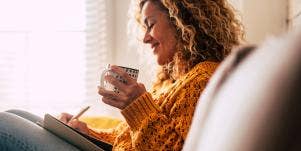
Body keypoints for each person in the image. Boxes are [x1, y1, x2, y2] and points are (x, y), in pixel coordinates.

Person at [0, 0, 243, 150]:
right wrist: (86, 133)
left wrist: (138, 107)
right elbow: (128, 139)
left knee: (3, 124)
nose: (146, 37)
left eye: (150, 24)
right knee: (15, 114)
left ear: (181, 22)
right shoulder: (171, 81)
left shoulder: (203, 79)